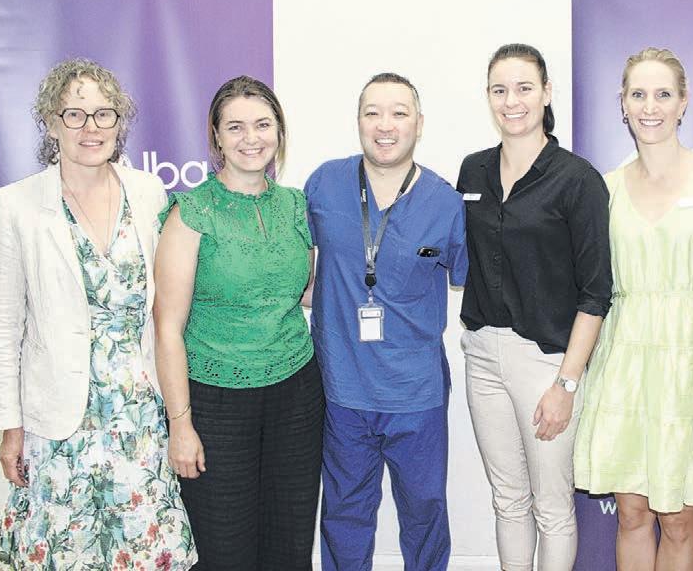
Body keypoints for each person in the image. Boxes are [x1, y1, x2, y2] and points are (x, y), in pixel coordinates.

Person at [0, 58, 196, 569]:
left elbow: (166, 310)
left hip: (139, 416)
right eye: (73, 114)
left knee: (141, 554)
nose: (90, 127)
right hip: (58, 422)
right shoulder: (15, 206)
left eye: (103, 114)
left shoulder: (148, 193)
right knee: (65, 555)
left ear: (120, 123)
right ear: (50, 123)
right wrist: (9, 427)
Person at [573, 48, 693, 571]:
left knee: (679, 519)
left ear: (684, 102)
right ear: (622, 104)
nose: (651, 107)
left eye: (663, 94)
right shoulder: (603, 188)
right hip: (624, 362)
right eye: (639, 95)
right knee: (631, 515)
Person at [153, 76, 323, 571]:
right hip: (214, 402)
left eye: (263, 124)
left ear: (279, 131)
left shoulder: (295, 205)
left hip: (296, 394)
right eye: (236, 127)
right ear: (216, 137)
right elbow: (167, 328)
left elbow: (302, 292)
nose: (252, 138)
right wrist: (180, 425)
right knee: (225, 550)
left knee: (290, 545)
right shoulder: (191, 212)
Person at [457, 44, 612, 570]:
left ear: (546, 93)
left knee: (552, 506)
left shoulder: (578, 179)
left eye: (524, 88)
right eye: (500, 90)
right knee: (508, 499)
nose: (512, 101)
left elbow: (596, 293)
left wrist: (566, 385)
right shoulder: (473, 171)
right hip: (482, 354)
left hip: (546, 363)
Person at [305, 72, 467, 571]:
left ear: (419, 123)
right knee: (344, 515)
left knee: (424, 513)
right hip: (342, 389)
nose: (385, 125)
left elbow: (469, 277)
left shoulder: (445, 201)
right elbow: (298, 270)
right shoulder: (323, 184)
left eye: (399, 113)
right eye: (372, 112)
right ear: (358, 121)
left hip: (416, 394)